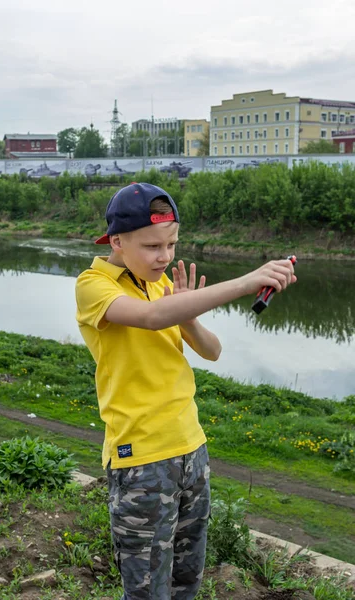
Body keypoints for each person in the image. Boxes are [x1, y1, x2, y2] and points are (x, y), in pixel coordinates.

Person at [75, 182, 296, 600]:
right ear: (117, 241)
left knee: (186, 581)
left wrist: (188, 310)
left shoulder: (160, 285)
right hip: (140, 460)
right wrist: (246, 281)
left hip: (191, 449)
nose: (165, 256)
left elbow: (212, 351)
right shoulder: (93, 285)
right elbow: (153, 317)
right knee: (146, 590)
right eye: (153, 246)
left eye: (172, 243)